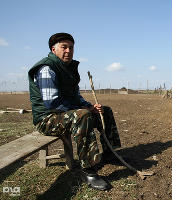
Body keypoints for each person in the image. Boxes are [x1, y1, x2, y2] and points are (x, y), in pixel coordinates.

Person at [28, 33, 122, 191]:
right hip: (47, 119)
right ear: (53, 49)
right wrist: (84, 110)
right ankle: (88, 170)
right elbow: (52, 103)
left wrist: (90, 106)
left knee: (105, 111)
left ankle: (109, 153)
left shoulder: (68, 70)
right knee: (82, 116)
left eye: (71, 48)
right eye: (63, 47)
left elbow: (76, 97)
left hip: (65, 115)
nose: (68, 51)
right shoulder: (47, 69)